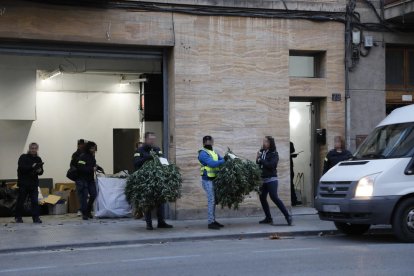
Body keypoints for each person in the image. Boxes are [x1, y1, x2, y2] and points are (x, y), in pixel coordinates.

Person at [134, 132, 173, 230]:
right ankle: (149, 223)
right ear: (146, 139)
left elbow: (162, 160)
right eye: (150, 139)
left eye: (153, 139)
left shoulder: (157, 149)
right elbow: (136, 163)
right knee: (147, 201)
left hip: (157, 179)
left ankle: (161, 222)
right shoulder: (139, 150)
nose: (152, 141)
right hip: (145, 179)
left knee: (160, 200)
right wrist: (147, 157)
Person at [257, 136, 292, 226]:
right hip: (263, 179)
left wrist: (261, 159)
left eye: (266, 142)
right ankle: (268, 218)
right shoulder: (262, 152)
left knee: (274, 197)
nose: (263, 143)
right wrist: (257, 158)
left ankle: (287, 216)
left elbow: (271, 165)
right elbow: (259, 163)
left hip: (271, 179)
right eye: (263, 141)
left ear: (270, 143)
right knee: (262, 197)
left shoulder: (274, 154)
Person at [198, 135, 225, 230]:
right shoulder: (203, 153)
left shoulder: (213, 152)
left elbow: (220, 159)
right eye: (207, 142)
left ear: (212, 142)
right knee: (211, 200)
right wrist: (224, 160)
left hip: (214, 179)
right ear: (204, 143)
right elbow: (213, 164)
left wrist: (223, 159)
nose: (209, 143)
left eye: (210, 141)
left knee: (213, 201)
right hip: (207, 180)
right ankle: (210, 222)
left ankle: (213, 220)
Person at [15, 143, 44, 224]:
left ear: (37, 149)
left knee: (35, 201)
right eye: (32, 148)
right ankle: (18, 217)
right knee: (21, 201)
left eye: (35, 148)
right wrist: (32, 166)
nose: (33, 150)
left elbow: (41, 171)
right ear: (29, 148)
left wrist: (39, 171)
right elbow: (22, 167)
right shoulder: (23, 157)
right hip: (23, 183)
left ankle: (36, 218)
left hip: (34, 184)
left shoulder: (38, 159)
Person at [76, 141, 98, 220]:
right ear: (88, 148)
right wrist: (91, 169)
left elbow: (93, 165)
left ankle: (88, 211)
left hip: (90, 180)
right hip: (83, 180)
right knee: (84, 197)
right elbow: (80, 167)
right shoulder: (83, 156)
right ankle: (84, 213)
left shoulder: (92, 156)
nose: (93, 150)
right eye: (92, 148)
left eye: (94, 148)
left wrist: (97, 168)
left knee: (93, 194)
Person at [70, 139, 86, 217]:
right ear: (78, 145)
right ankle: (80, 209)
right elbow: (74, 164)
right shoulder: (75, 154)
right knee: (80, 193)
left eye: (83, 144)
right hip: (79, 176)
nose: (82, 146)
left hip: (86, 176)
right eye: (80, 144)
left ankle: (84, 209)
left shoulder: (87, 154)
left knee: (85, 194)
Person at [290, 141, 299, 206]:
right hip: (289, 166)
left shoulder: (290, 143)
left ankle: (294, 200)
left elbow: (293, 152)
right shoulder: (290, 143)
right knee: (291, 184)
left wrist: (293, 155)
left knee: (291, 184)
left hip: (290, 166)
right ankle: (294, 200)